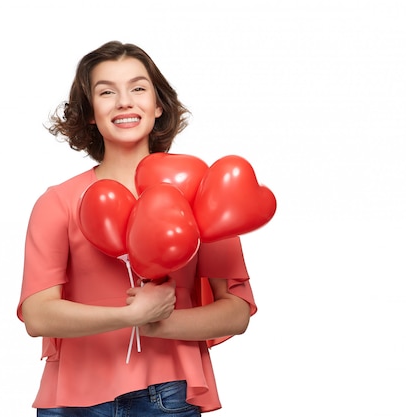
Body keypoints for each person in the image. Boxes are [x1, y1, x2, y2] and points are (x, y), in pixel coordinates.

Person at [17, 41, 257, 417]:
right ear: (91, 114)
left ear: (158, 105)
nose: (124, 101)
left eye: (138, 88)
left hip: (166, 395)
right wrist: (129, 316)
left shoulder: (200, 192)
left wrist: (161, 323)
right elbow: (37, 315)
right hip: (70, 401)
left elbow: (236, 312)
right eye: (106, 92)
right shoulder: (58, 202)